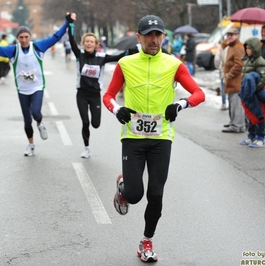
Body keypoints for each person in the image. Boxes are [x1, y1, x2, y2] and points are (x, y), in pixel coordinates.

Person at [102, 15, 205, 262]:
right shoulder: (125, 64)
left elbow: (199, 93)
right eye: (149, 35)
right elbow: (108, 96)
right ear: (139, 37)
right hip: (133, 137)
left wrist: (180, 104)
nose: (154, 40)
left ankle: (146, 240)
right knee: (136, 194)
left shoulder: (173, 64)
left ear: (163, 37)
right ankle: (124, 189)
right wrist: (118, 110)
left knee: (156, 194)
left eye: (158, 35)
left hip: (161, 138)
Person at [0, 13, 76, 156]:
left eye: (26, 37)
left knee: (36, 112)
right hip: (22, 90)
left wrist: (66, 23)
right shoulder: (13, 50)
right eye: (21, 37)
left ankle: (40, 123)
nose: (24, 40)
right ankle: (31, 145)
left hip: (37, 87)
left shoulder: (38, 47)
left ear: (30, 37)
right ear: (18, 38)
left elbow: (56, 37)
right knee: (27, 121)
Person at [67, 19, 137, 158]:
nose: (89, 43)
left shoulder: (101, 57)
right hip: (81, 94)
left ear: (96, 45)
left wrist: (130, 51)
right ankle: (86, 148)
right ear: (83, 43)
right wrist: (71, 24)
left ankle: (89, 140)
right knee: (85, 122)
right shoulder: (79, 55)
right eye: (87, 41)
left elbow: (118, 57)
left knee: (96, 124)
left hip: (94, 95)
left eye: (92, 42)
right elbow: (71, 39)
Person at [238, 37, 265, 148]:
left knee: (259, 115)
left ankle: (260, 137)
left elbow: (264, 77)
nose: (247, 50)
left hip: (256, 93)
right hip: (248, 93)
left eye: (249, 48)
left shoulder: (260, 61)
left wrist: (256, 88)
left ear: (255, 49)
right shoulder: (248, 60)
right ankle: (251, 135)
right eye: (246, 48)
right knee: (251, 115)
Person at [221, 27, 246, 133]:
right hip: (232, 81)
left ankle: (238, 125)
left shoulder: (238, 47)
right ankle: (234, 123)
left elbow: (239, 64)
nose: (229, 37)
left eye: (232, 35)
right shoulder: (232, 46)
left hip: (236, 81)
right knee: (233, 103)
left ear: (237, 35)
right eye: (228, 35)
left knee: (236, 104)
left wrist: (229, 75)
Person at [214, 38, 228, 111]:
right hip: (229, 69)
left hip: (222, 69)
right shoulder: (231, 47)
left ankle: (224, 103)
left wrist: (218, 66)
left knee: (223, 86)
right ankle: (231, 103)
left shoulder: (221, 47)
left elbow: (217, 59)